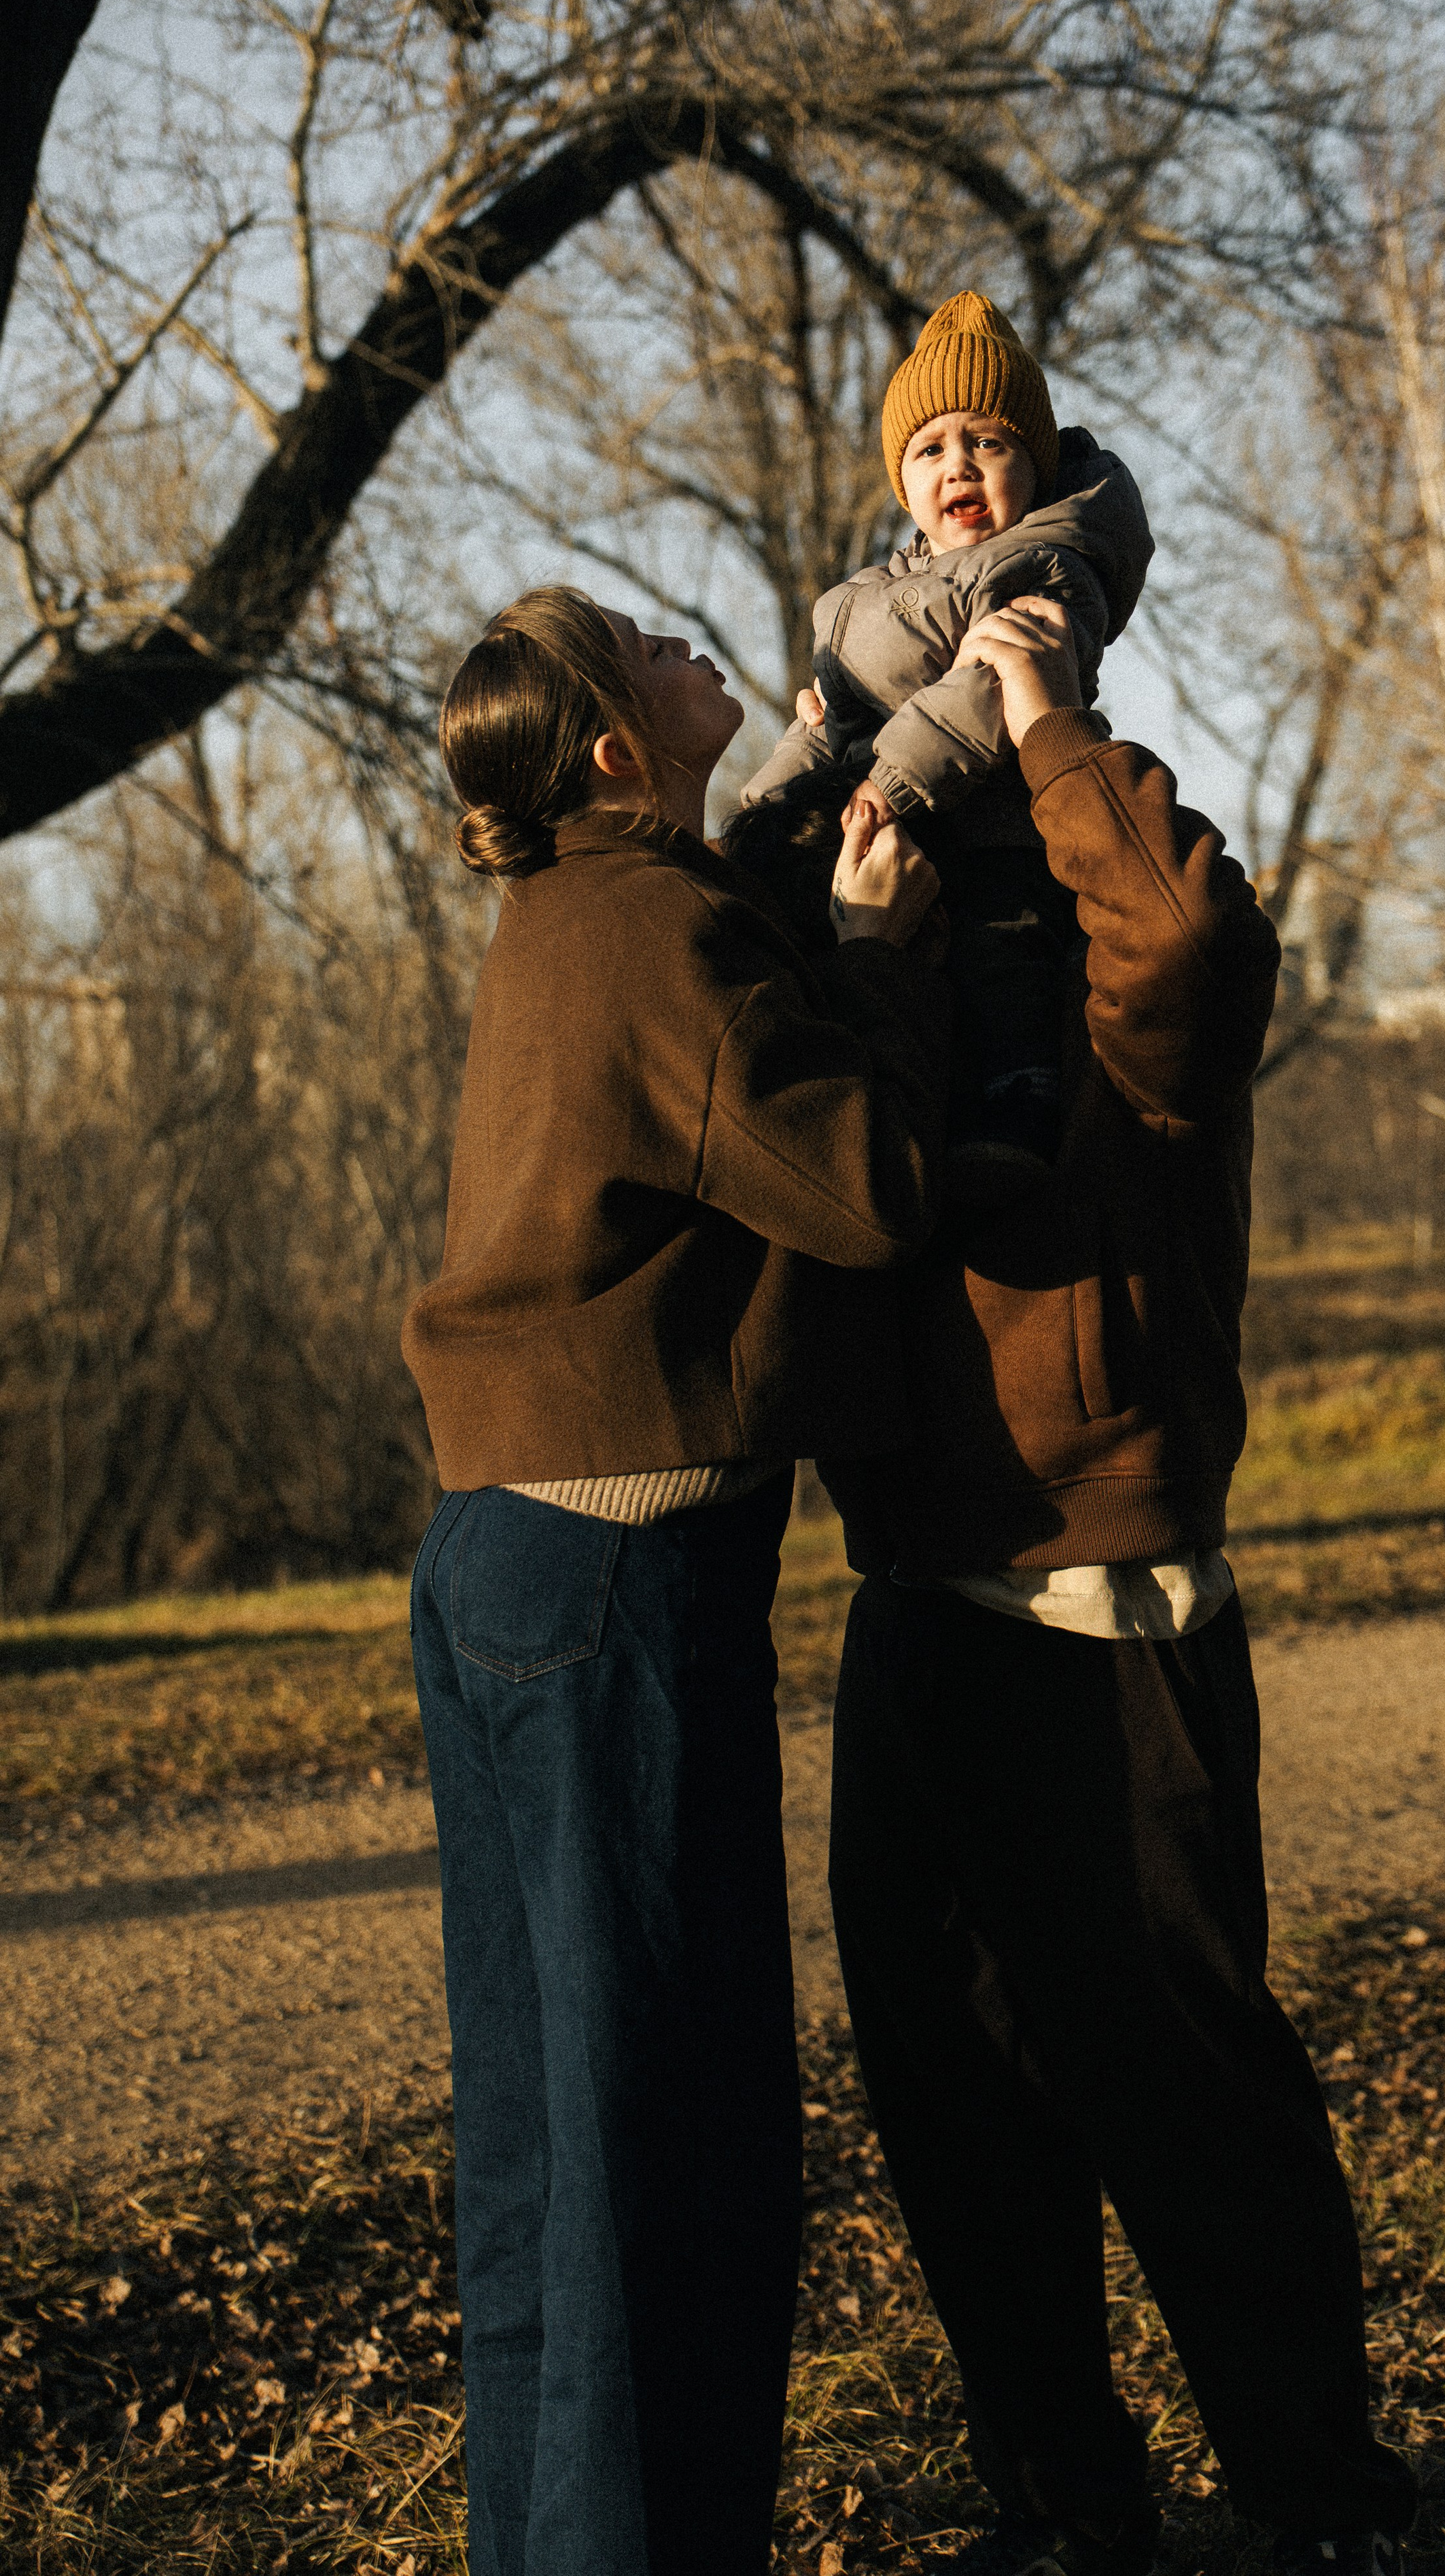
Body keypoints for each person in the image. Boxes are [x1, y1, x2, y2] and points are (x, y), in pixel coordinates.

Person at [818, 599, 1420, 2576]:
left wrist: (1048, 715)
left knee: (1185, 2089)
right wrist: (875, 930)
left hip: (1107, 1601)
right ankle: (1069, 2507)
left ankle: (1319, 2509)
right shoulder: (910, 922)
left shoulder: (1134, 983)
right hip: (918, 1584)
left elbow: (1190, 939)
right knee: (955, 2092)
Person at [398, 584, 947, 2576]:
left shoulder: (577, 915)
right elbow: (871, 1186)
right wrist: (877, 958)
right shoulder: (657, 929)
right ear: (616, 747)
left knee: (544, 2150)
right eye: (641, 644)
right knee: (667, 2149)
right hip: (618, 1583)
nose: (684, 641)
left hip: (494, 1555)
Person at [741, 291, 1153, 1195]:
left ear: (1034, 466)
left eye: (989, 443)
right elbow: (829, 715)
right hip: (882, 826)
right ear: (904, 484)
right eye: (930, 449)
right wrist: (767, 806)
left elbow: (986, 691)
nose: (958, 465)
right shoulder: (877, 594)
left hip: (994, 830)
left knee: (1005, 959)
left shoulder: (1048, 564)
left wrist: (887, 781)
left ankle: (1012, 1112)